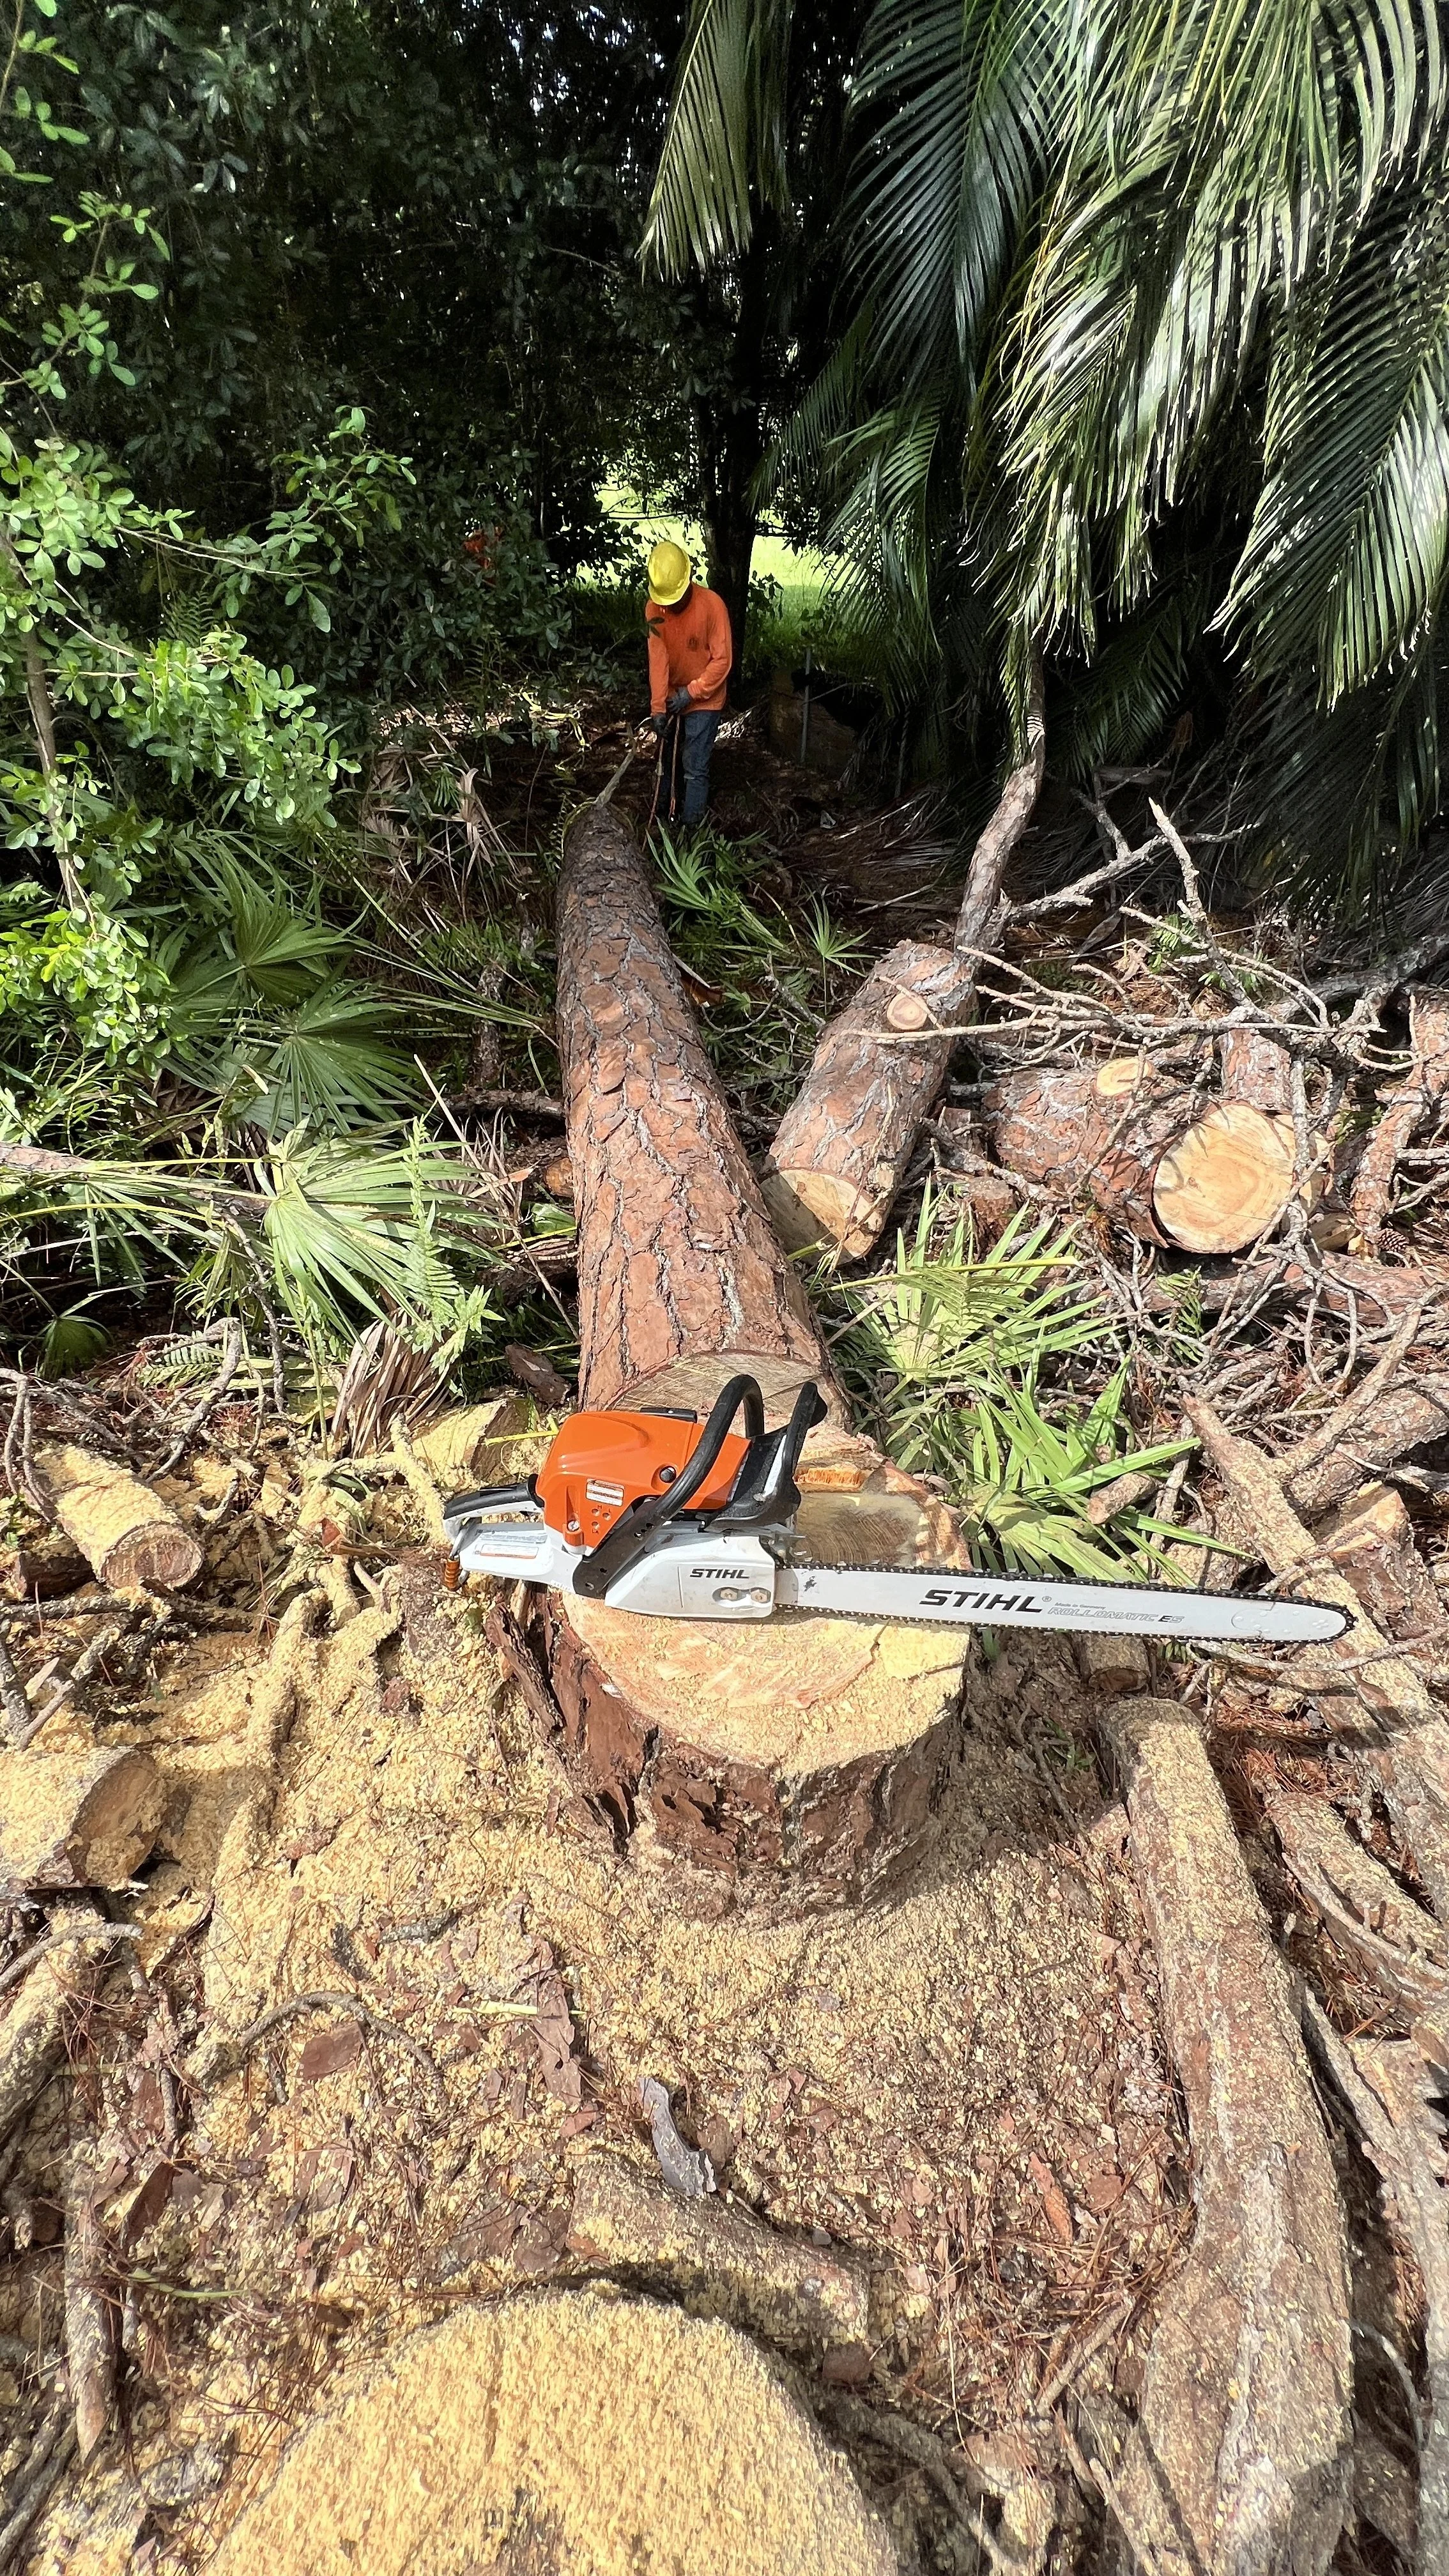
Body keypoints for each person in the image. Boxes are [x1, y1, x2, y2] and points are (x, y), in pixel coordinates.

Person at [641, 540, 732, 827]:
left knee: (694, 765)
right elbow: (658, 659)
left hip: (705, 697)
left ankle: (692, 829)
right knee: (666, 762)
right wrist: (658, 709)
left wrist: (691, 693)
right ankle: (662, 820)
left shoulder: (712, 606)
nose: (671, 605)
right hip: (672, 695)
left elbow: (722, 661)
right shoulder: (654, 609)